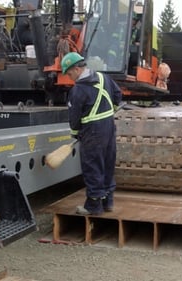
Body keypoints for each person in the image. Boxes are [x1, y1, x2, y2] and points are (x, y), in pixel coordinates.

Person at [61, 52, 123, 215]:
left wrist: (75, 133)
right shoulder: (104, 78)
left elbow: (74, 117)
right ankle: (108, 202)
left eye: (69, 74)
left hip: (92, 131)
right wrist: (110, 112)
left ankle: (93, 206)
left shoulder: (77, 90)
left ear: (75, 69)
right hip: (109, 127)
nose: (69, 78)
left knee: (92, 166)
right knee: (107, 163)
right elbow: (118, 96)